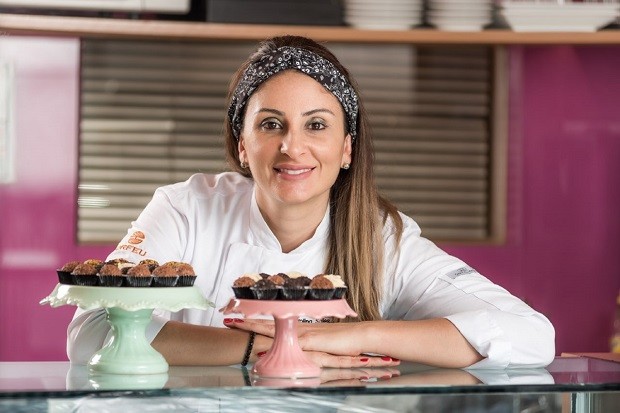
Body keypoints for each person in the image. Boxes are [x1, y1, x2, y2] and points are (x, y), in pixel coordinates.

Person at [67, 35, 555, 370]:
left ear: (346, 147)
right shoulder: (186, 208)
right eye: (270, 124)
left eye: (316, 125)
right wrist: (258, 348)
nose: (292, 147)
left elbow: (532, 336)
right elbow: (91, 330)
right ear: (242, 144)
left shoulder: (384, 238)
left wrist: (347, 336)